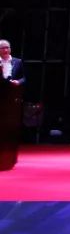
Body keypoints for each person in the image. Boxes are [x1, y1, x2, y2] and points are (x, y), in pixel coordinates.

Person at [0, 39, 27, 171]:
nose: (6, 50)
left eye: (7, 47)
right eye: (3, 48)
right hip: (1, 97)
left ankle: (11, 158)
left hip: (13, 100)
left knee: (12, 129)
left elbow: (24, 78)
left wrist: (19, 82)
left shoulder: (18, 61)